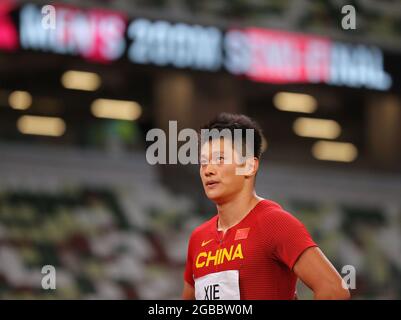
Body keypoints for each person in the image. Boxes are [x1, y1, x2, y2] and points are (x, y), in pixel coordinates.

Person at [182, 113, 350, 300]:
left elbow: (335, 291)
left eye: (220, 159)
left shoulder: (275, 223)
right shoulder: (198, 238)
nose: (208, 170)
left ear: (249, 166)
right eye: (203, 162)